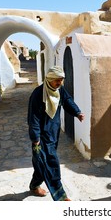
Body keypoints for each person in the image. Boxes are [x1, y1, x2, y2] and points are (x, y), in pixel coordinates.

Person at [27, 65, 85, 201]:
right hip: (41, 136)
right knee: (51, 162)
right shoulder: (37, 94)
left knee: (40, 162)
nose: (59, 83)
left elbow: (67, 100)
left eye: (61, 80)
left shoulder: (60, 90)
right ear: (49, 79)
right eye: (56, 80)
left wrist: (77, 112)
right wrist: (35, 138)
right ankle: (60, 196)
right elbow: (33, 118)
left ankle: (34, 185)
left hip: (53, 133)